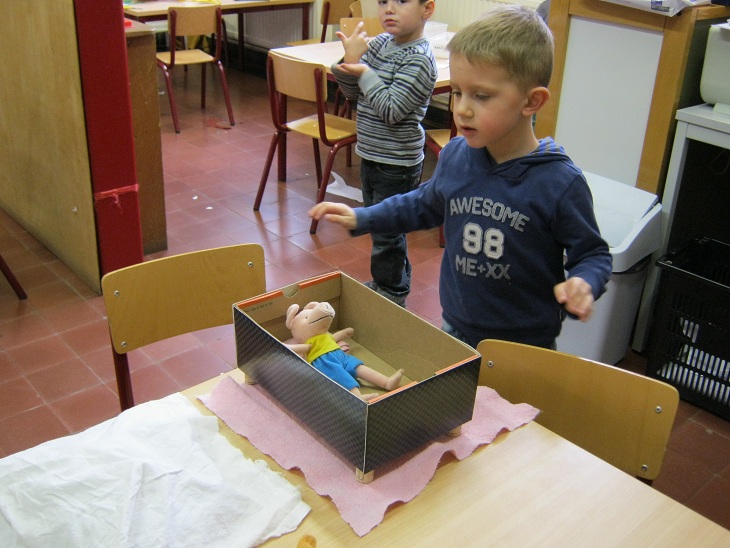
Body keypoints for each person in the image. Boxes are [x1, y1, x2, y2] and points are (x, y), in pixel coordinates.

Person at [310, 5, 612, 350]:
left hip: (525, 343)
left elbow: (594, 255)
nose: (462, 109)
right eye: (457, 92)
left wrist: (584, 283)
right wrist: (364, 217)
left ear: (532, 101)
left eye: (481, 96)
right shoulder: (456, 156)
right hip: (455, 324)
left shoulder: (559, 182)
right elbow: (422, 204)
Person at [330, 0, 438, 307]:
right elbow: (354, 94)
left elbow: (391, 110)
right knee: (380, 229)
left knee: (387, 232)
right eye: (382, 1)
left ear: (427, 9)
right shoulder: (379, 45)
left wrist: (364, 71)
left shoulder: (419, 59)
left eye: (401, 1)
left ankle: (392, 293)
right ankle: (388, 281)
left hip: (397, 163)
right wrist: (349, 62)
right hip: (371, 153)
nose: (389, 9)